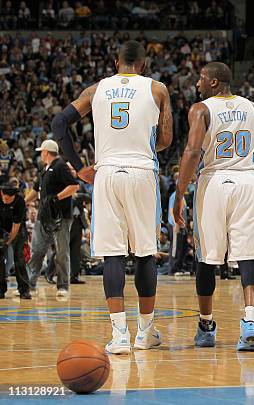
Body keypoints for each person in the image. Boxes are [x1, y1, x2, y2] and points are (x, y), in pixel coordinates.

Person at [51, 40, 173, 354]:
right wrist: (141, 143)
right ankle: (145, 333)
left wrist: (79, 168)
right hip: (142, 171)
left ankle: (119, 335)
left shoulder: (96, 90)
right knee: (145, 253)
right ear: (143, 65)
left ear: (115, 63)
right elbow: (167, 139)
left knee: (113, 256)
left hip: (105, 173)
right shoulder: (157, 89)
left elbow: (59, 124)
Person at [173, 62, 254, 351]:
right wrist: (252, 175)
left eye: (202, 79)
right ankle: (250, 321)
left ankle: (206, 326)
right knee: (249, 254)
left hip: (214, 180)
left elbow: (192, 152)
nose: (197, 84)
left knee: (206, 257)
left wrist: (180, 191)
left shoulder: (201, 109)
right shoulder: (253, 108)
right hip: (246, 179)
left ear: (215, 83)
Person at [26, 140, 79, 297]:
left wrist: (57, 197)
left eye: (41, 151)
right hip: (44, 216)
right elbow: (36, 190)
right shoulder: (45, 169)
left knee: (62, 252)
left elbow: (74, 186)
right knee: (37, 250)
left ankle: (63, 286)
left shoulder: (60, 165)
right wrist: (23, 202)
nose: (40, 154)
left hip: (60, 217)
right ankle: (29, 284)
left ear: (46, 152)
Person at [0, 178, 30, 299]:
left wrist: (8, 242)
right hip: (1, 228)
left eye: (10, 200)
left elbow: (16, 226)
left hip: (16, 230)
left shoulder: (20, 201)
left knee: (19, 258)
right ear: (2, 193)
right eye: (6, 199)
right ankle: (1, 290)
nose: (8, 202)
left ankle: (24, 290)